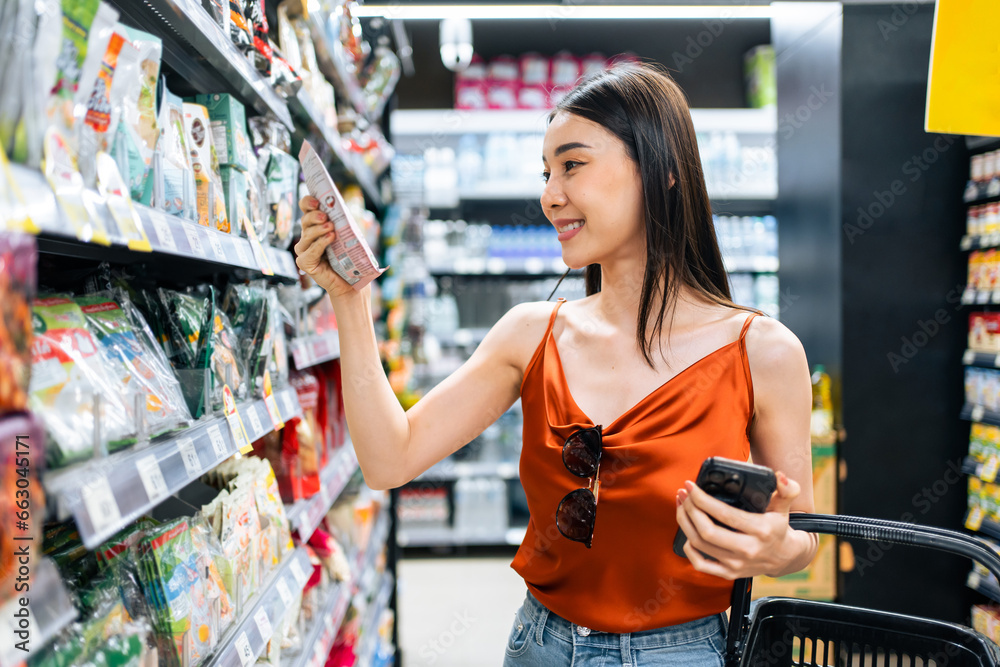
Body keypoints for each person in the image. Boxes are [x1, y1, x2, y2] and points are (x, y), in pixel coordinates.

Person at [294, 62, 817, 667]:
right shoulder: (530, 333)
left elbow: (803, 534)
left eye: (572, 165)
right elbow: (389, 459)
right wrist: (349, 299)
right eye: (546, 173)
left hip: (683, 653)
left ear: (663, 170)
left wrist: (777, 548)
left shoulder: (764, 351)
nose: (549, 195)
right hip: (539, 646)